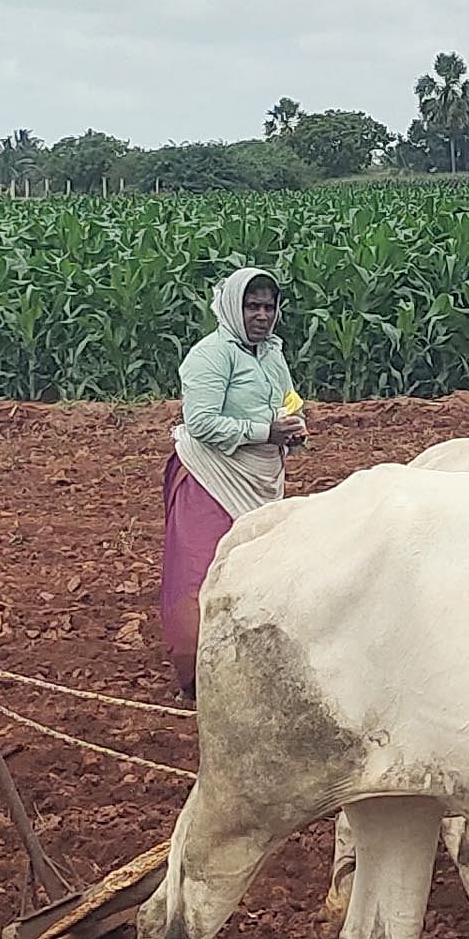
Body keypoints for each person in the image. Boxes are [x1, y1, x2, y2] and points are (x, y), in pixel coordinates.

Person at [160, 267, 301, 699]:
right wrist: (265, 432)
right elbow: (200, 422)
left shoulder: (271, 354)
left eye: (269, 307)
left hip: (258, 478)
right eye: (252, 305)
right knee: (199, 573)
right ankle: (197, 675)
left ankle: (249, 663)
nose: (262, 315)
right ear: (232, 307)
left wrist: (295, 428)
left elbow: (287, 401)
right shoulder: (210, 355)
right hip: (212, 478)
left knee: (256, 569)